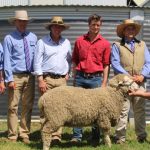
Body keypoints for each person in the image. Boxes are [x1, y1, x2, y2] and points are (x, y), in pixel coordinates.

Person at [71, 14, 111, 143]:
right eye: (93, 24)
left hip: (96, 79)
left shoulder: (105, 43)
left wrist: (104, 82)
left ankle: (95, 137)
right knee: (77, 106)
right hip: (81, 77)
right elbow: (75, 61)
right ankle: (77, 136)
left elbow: (106, 64)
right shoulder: (79, 41)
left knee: (97, 109)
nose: (95, 27)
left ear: (101, 26)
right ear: (89, 25)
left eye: (98, 25)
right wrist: (75, 78)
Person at [111, 19, 150, 144]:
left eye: (132, 28)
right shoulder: (117, 45)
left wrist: (143, 75)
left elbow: (148, 62)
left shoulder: (142, 44)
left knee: (140, 110)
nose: (130, 30)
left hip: (140, 82)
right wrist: (129, 76)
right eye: (128, 28)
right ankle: (120, 138)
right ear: (123, 31)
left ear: (135, 31)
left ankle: (141, 136)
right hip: (124, 83)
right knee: (123, 110)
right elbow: (115, 63)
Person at [34, 16, 72, 143]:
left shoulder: (66, 42)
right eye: (55, 26)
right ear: (51, 27)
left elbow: (69, 59)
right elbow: (37, 62)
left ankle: (56, 136)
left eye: (59, 26)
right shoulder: (42, 42)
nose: (57, 28)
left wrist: (68, 73)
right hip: (47, 80)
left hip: (61, 81)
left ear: (62, 29)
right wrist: (40, 80)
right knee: (46, 108)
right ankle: (45, 135)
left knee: (60, 109)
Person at [3, 10, 37, 143]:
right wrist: (9, 79)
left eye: (25, 21)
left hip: (30, 77)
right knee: (13, 106)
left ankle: (24, 133)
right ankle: (12, 135)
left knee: (27, 106)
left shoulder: (33, 37)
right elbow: (6, 60)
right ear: (15, 22)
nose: (23, 23)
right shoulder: (9, 38)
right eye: (20, 21)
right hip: (15, 76)